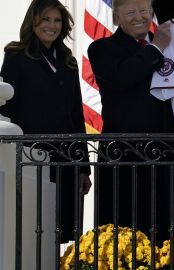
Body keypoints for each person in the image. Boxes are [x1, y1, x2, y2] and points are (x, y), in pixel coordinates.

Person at [87, 0, 174, 242]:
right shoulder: (101, 48)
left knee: (166, 230)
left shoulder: (171, 45)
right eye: (130, 12)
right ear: (116, 17)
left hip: (164, 153)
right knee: (122, 233)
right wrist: (156, 49)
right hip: (123, 155)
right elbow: (121, 77)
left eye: (144, 11)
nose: (139, 17)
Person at [0, 0, 91, 243]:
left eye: (57, 20)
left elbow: (76, 115)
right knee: (31, 228)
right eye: (46, 19)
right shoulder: (16, 55)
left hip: (66, 156)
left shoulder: (67, 60)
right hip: (31, 156)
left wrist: (83, 167)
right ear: (33, 21)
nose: (52, 25)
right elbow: (7, 110)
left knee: (60, 230)